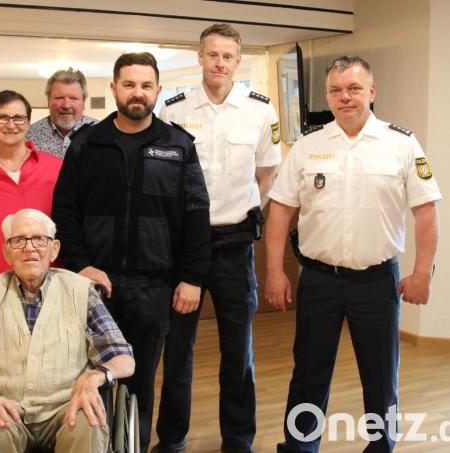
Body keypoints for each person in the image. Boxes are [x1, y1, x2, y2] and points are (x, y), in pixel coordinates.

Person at [265, 56, 441, 453]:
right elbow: (280, 210)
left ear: (371, 92)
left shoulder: (401, 144)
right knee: (308, 374)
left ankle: (381, 447)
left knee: (381, 376)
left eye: (354, 88)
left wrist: (422, 273)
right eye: (336, 90)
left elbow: (426, 210)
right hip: (318, 280)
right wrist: (274, 271)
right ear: (327, 95)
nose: (345, 96)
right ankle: (300, 447)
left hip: (377, 282)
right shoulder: (308, 147)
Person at [51, 52, 211, 451]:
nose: (137, 93)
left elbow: (196, 216)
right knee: (88, 379)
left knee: (139, 383)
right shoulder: (87, 144)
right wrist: (81, 266)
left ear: (157, 90)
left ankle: (132, 446)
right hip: (93, 286)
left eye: (145, 85)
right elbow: (65, 212)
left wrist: (192, 278)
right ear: (114, 89)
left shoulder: (178, 145)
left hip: (152, 287)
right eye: (129, 84)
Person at [155, 23, 281, 453]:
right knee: (178, 351)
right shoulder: (174, 110)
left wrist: (241, 210)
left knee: (238, 351)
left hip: (235, 247)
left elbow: (267, 173)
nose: (220, 63)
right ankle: (172, 438)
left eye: (228, 56)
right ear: (200, 57)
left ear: (238, 61)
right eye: (212, 55)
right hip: (184, 249)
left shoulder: (260, 111)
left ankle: (239, 440)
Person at [0, 208, 135, 453]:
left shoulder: (81, 292)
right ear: (7, 252)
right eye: (18, 240)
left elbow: (124, 360)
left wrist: (95, 377)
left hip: (67, 406)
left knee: (90, 423)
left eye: (39, 239)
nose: (29, 248)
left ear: (54, 249)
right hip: (6, 410)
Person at [0, 90, 62, 288]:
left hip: (47, 283)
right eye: (2, 117)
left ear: (28, 122)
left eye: (18, 118)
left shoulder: (55, 168)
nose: (11, 125)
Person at [25, 67, 96, 158]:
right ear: (48, 101)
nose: (66, 105)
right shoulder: (29, 136)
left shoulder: (102, 133)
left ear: (83, 103)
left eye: (73, 98)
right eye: (59, 98)